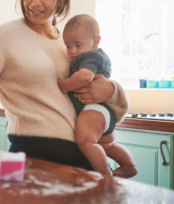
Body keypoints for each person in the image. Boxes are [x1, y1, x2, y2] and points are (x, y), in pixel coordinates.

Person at [0, 0, 129, 175]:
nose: (35, 2)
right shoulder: (5, 37)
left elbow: (99, 86)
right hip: (33, 162)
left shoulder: (70, 43)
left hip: (87, 162)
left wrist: (112, 91)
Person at [58, 14, 137, 177]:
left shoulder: (90, 57)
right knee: (108, 145)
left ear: (96, 41)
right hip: (103, 112)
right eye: (67, 46)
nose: (72, 51)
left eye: (78, 45)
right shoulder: (96, 55)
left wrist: (64, 85)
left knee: (85, 141)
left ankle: (105, 176)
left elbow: (85, 77)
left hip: (93, 109)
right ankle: (129, 166)